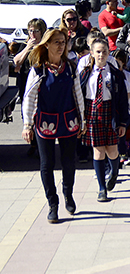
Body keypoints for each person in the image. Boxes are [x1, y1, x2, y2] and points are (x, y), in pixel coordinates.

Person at [21, 29, 84, 223]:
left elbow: (78, 95)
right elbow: (29, 98)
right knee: (46, 164)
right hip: (45, 122)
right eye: (56, 42)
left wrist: (83, 120)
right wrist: (27, 125)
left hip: (68, 120)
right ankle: (52, 203)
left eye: (63, 42)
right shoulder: (38, 70)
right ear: (46, 44)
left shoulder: (71, 68)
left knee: (69, 162)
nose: (60, 46)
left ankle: (68, 194)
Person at [80, 38, 130, 202]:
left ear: (109, 53)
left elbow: (122, 99)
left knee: (112, 150)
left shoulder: (115, 74)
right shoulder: (86, 73)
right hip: (93, 112)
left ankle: (114, 172)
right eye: (98, 52)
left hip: (111, 112)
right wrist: (82, 119)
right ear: (92, 53)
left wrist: (123, 122)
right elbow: (79, 96)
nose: (101, 55)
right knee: (98, 151)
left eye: (104, 52)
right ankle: (102, 188)